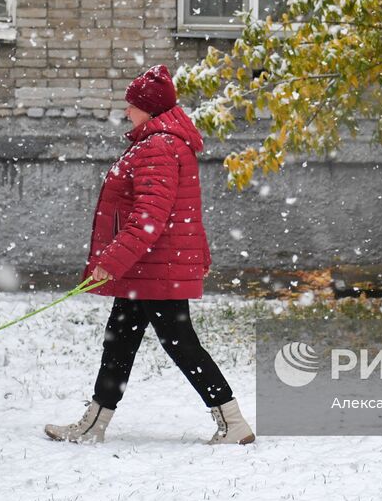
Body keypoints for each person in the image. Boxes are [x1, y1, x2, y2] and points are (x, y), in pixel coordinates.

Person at [43, 64, 255, 446]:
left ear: (149, 108)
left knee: (180, 344)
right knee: (120, 341)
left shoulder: (159, 146)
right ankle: (95, 424)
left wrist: (111, 262)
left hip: (156, 268)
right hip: (148, 269)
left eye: (131, 105)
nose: (126, 111)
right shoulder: (160, 141)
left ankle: (232, 421)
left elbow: (148, 219)